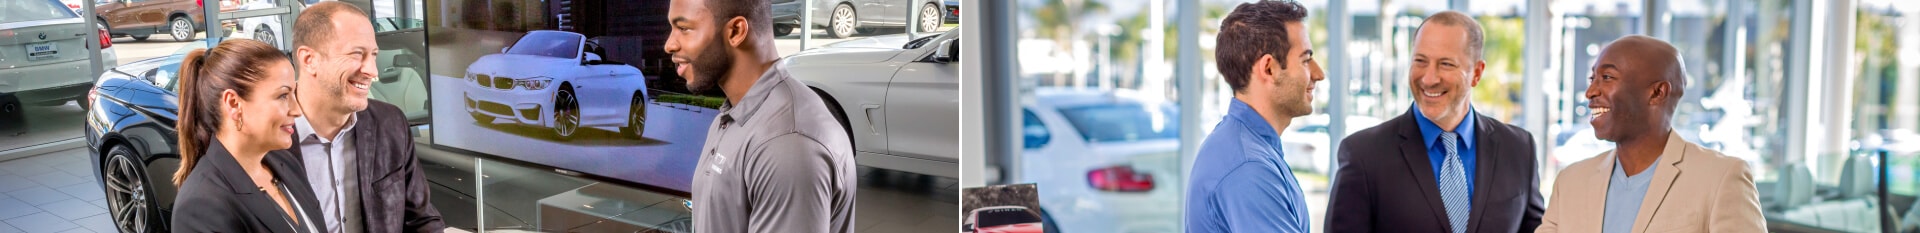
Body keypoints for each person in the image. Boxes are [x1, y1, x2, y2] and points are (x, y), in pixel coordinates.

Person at [1325, 11, 1546, 233]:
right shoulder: (1364, 154)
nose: (1429, 78)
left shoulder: (1518, 148)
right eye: (1420, 61)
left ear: (1476, 73)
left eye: (1446, 64)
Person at [1535, 35, 1765, 233]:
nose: (1590, 91)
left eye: (1607, 78)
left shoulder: (1721, 177)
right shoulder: (1570, 182)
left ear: (1657, 93)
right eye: (1592, 78)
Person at [664, 0, 857, 232]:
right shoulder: (732, 117)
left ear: (736, 31)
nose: (669, 45)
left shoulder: (787, 143)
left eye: (684, 28)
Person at [280, 2, 445, 232]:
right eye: (357, 54)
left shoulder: (390, 124)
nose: (372, 71)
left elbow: (421, 220)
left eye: (374, 55)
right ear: (309, 60)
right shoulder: (265, 134)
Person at [1183, 1, 1324, 232]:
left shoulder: (1247, 146)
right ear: (1269, 68)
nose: (1319, 74)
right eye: (1306, 60)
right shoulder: (1248, 168)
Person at [170, 39, 326, 232]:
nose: (297, 110)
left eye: (294, 93)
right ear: (234, 104)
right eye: (283, 96)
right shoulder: (200, 206)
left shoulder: (285, 162)